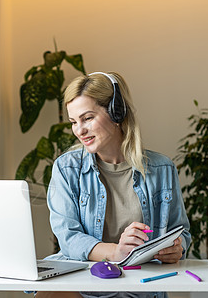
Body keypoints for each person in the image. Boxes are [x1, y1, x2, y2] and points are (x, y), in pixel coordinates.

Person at [40, 72, 191, 298]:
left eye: (87, 118)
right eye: (74, 122)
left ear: (116, 112)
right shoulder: (66, 168)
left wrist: (176, 249)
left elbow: (182, 232)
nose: (79, 130)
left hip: (140, 287)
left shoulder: (162, 169)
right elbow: (69, 238)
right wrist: (116, 252)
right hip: (84, 286)